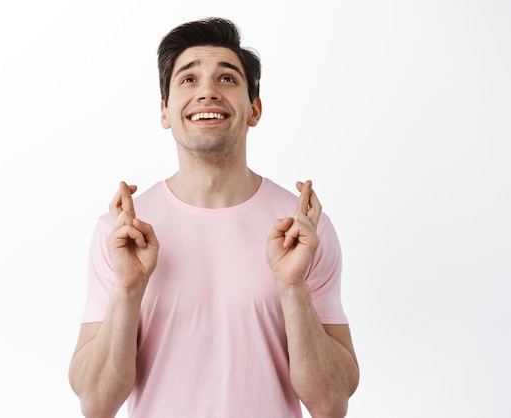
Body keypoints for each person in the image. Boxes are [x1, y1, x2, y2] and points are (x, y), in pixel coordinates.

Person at [69, 17, 359, 418]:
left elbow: (331, 404)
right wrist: (128, 287)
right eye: (188, 80)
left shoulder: (302, 230)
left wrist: (292, 287)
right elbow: (96, 404)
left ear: (254, 109)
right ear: (165, 112)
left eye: (226, 79)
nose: (207, 91)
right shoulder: (123, 234)